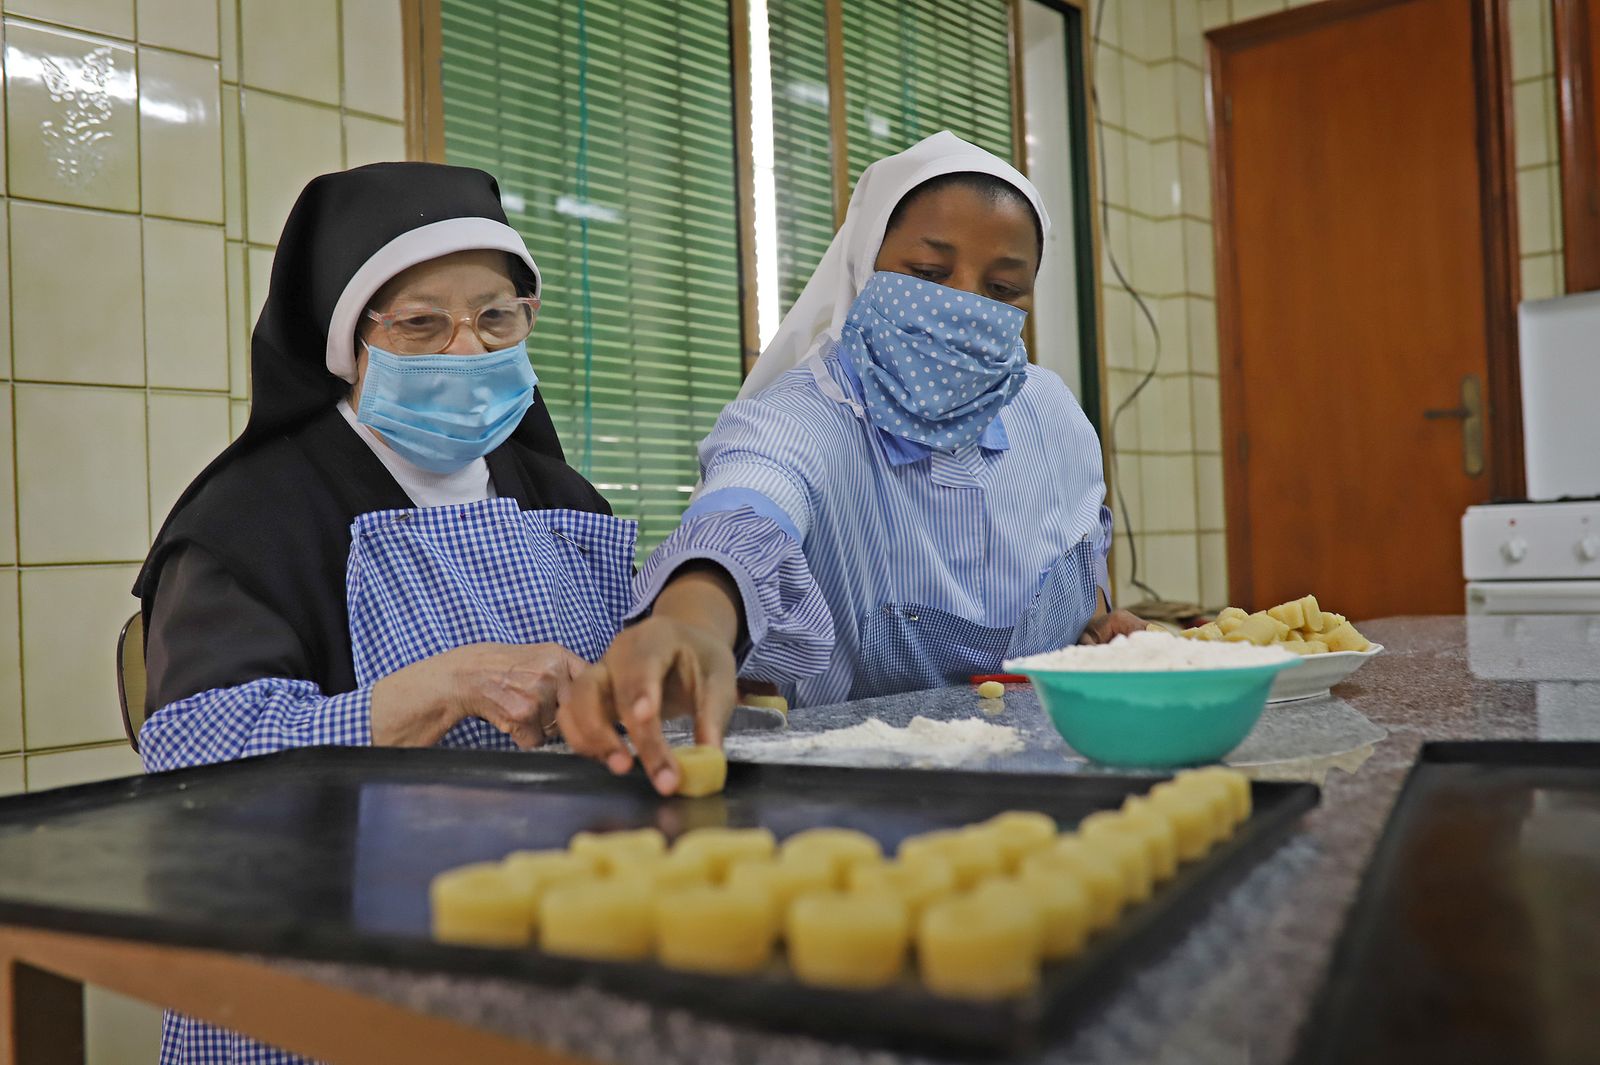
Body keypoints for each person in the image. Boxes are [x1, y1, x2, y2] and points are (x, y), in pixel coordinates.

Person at [559, 132, 1144, 795]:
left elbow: (1072, 567)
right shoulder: (805, 418)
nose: (964, 304)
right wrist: (691, 626)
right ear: (866, 264)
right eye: (928, 274)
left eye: (1003, 286)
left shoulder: (1053, 415)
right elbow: (744, 514)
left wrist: (1098, 627)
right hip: (857, 805)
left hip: (1060, 788)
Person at [137, 162, 632, 770]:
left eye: (496, 317)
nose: (469, 348)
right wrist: (441, 689)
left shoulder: (564, 502)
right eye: (421, 323)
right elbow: (198, 747)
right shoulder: (250, 522)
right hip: (351, 858)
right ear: (348, 345)